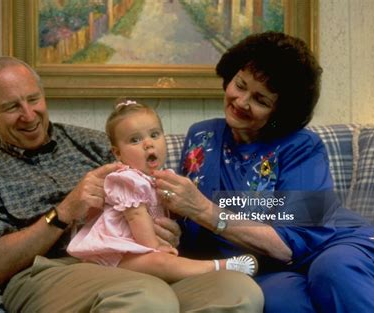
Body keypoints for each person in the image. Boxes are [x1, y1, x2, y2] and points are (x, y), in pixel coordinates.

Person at [0, 56, 264, 312]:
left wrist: (165, 228)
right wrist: (64, 212)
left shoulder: (95, 143)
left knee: (238, 291)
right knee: (146, 298)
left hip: (130, 261)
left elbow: (148, 194)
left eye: (34, 99)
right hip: (47, 271)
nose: (29, 115)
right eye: (12, 107)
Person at [153, 32, 374, 313]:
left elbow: (290, 243)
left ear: (280, 112)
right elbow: (191, 222)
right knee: (281, 300)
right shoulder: (202, 136)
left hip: (334, 245)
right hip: (264, 265)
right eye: (240, 85)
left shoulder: (301, 145)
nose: (241, 101)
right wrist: (171, 231)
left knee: (333, 270)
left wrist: (204, 211)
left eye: (260, 99)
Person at [67, 100, 258, 282]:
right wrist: (155, 247)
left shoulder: (162, 178)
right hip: (114, 255)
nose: (148, 143)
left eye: (154, 134)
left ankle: (213, 269)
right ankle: (217, 267)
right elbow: (136, 217)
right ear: (118, 153)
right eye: (135, 140)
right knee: (160, 261)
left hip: (136, 249)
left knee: (165, 262)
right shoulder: (126, 180)